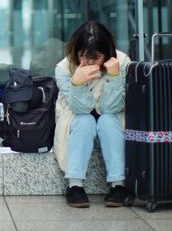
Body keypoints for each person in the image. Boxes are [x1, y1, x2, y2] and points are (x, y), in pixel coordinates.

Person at [53, 20, 131, 208]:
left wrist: (113, 76)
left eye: (95, 57)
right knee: (85, 120)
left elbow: (111, 107)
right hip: (77, 128)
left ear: (107, 53)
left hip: (113, 127)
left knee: (107, 119)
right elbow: (81, 109)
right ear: (76, 52)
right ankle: (75, 185)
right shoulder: (63, 68)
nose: (89, 62)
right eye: (83, 56)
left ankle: (118, 185)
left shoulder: (122, 62)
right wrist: (77, 83)